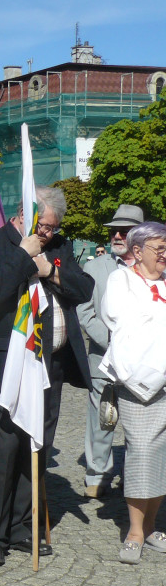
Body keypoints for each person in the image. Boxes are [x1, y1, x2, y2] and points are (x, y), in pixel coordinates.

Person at [0, 186, 94, 566]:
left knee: (35, 448)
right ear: (23, 215)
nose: (48, 235)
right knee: (4, 450)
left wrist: (51, 272)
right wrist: (25, 255)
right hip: (9, 365)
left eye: (54, 229)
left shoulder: (58, 246)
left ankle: (25, 526)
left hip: (49, 366)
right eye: (43, 227)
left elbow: (84, 288)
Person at [99, 221, 166, 564]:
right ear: (137, 252)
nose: (165, 255)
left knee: (161, 456)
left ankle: (152, 526)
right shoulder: (121, 280)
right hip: (139, 383)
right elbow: (119, 323)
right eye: (160, 249)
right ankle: (135, 532)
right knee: (141, 453)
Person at [77, 204, 144, 499]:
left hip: (143, 363)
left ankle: (137, 475)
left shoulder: (155, 270)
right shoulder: (94, 268)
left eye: (124, 230)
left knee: (139, 421)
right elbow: (85, 312)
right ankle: (97, 473)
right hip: (103, 357)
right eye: (114, 230)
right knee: (102, 417)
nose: (116, 235)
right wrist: (114, 342)